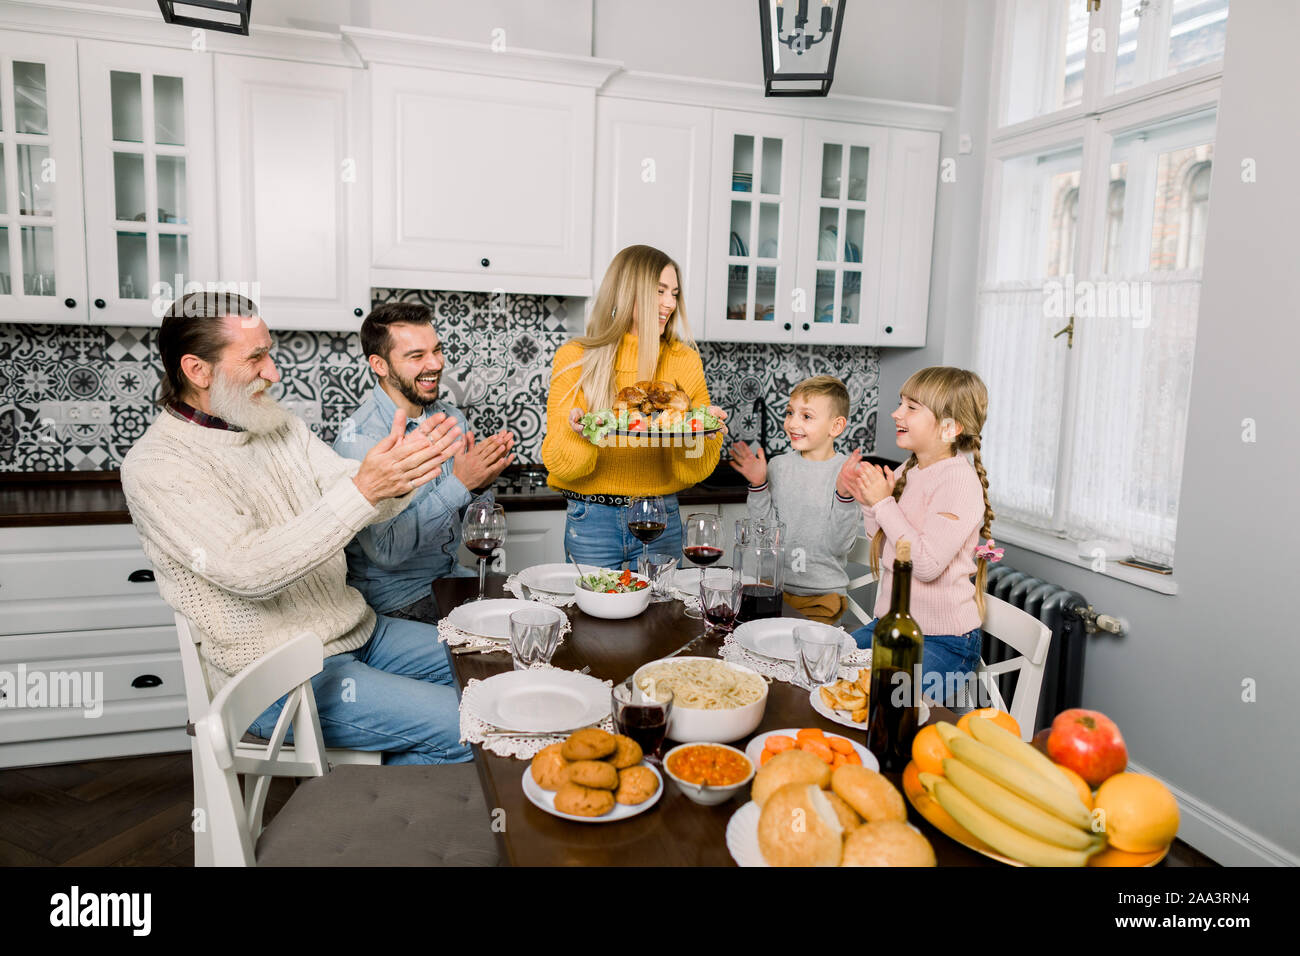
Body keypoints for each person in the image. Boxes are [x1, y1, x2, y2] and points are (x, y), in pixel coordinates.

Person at [121, 290, 473, 764]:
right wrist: (366, 490)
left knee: (494, 668)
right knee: (470, 724)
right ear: (197, 370)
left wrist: (399, 473)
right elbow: (249, 568)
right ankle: (374, 822)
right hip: (278, 677)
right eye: (257, 357)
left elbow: (350, 489)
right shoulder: (157, 466)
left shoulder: (278, 425)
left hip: (360, 632)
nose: (274, 372)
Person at [541, 244, 726, 568]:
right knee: (595, 618)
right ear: (628, 290)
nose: (670, 303)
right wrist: (580, 435)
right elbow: (562, 464)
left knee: (662, 618)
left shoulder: (683, 360)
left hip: (661, 517)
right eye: (659, 291)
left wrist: (703, 435)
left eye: (675, 293)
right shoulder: (576, 357)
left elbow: (694, 469)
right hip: (592, 519)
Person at [334, 302, 515, 621]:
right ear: (379, 365)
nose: (435, 364)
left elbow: (470, 516)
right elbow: (386, 551)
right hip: (395, 601)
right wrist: (460, 483)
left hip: (449, 578)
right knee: (497, 651)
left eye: (437, 350)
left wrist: (478, 484)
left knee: (533, 620)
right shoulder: (360, 440)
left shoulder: (451, 419)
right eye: (416, 356)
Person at [847, 366, 996, 709]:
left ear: (950, 427)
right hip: (888, 629)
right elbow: (883, 542)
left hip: (943, 643)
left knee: (886, 707)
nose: (896, 413)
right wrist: (870, 503)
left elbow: (925, 564)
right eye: (901, 403)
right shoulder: (908, 470)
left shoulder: (958, 481)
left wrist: (883, 503)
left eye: (912, 407)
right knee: (824, 675)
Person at [728, 375, 861, 624]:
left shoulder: (844, 472)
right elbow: (763, 532)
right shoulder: (778, 466)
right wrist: (758, 485)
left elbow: (839, 545)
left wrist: (844, 496)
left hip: (821, 598)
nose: (792, 423)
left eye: (806, 416)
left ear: (836, 427)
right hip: (773, 589)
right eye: (790, 413)